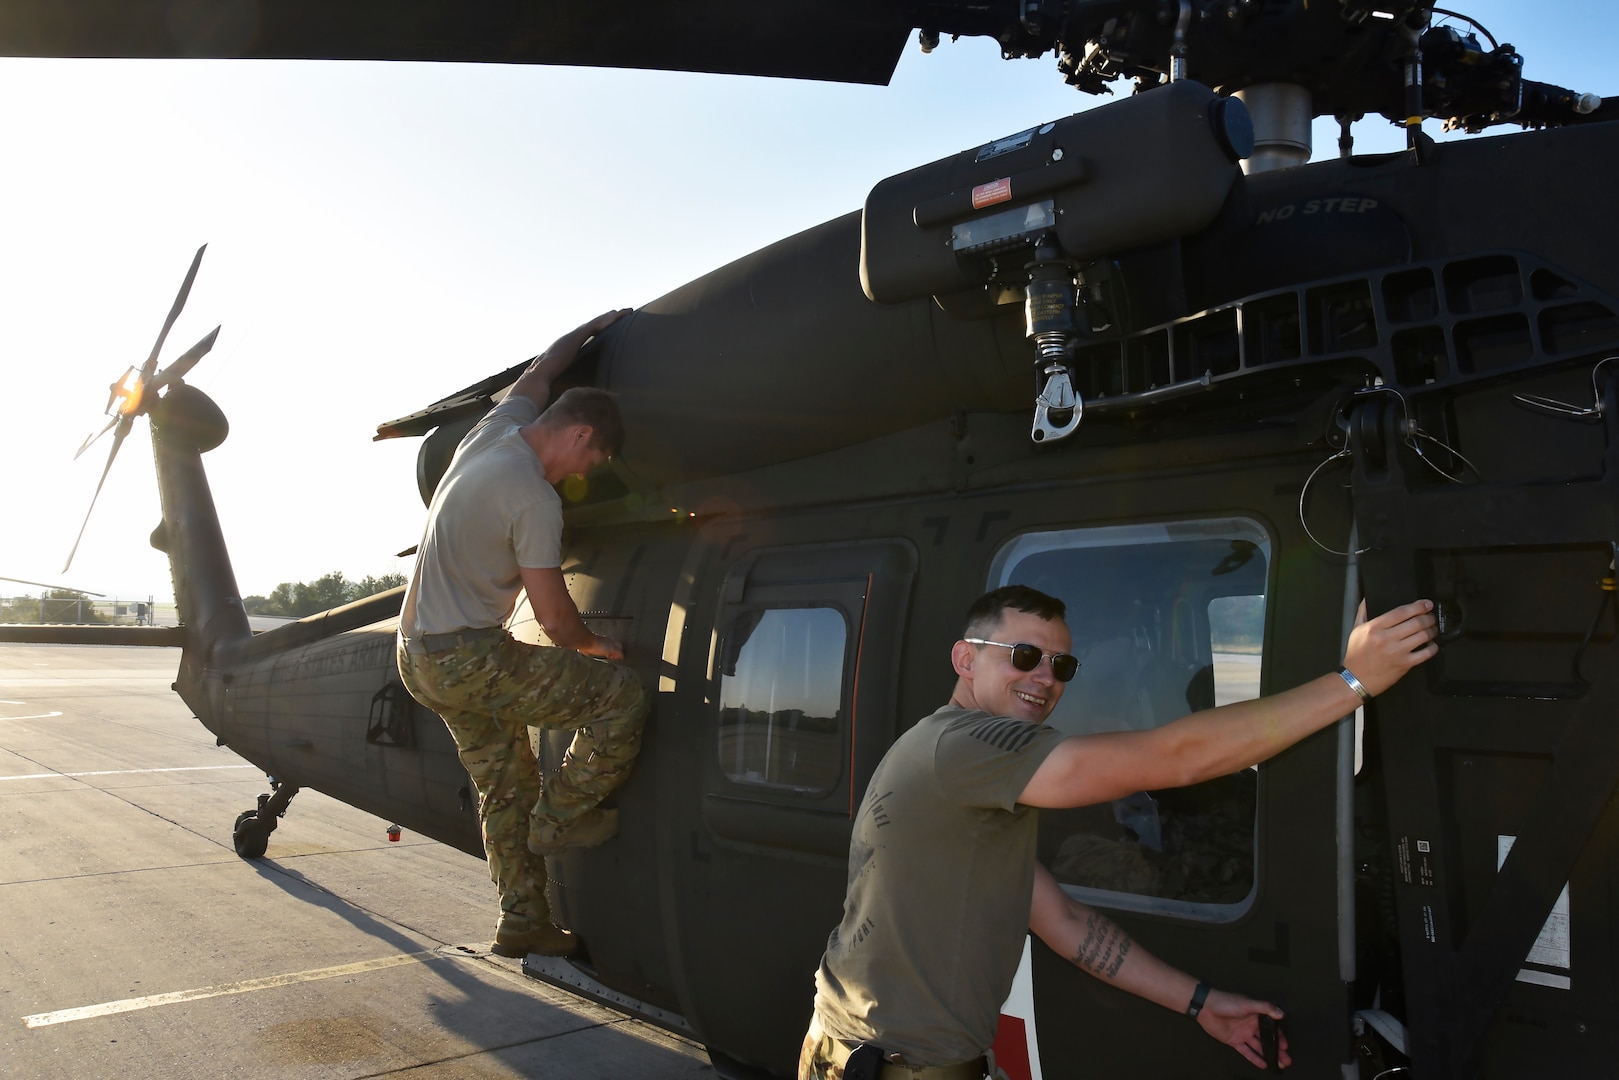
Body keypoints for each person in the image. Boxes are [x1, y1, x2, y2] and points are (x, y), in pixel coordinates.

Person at [801, 584, 1439, 1078]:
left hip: (860, 1051)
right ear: (966, 659)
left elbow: (1067, 926)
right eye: (1024, 656)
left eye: (1061, 666)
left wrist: (1201, 1003)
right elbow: (1171, 759)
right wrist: (1353, 683)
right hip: (891, 1066)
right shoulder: (964, 747)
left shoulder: (963, 777)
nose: (1044, 678)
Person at [397, 309, 649, 960]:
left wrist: (588, 331)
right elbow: (558, 620)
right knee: (619, 696)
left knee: (502, 786)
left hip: (416, 657)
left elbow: (542, 370)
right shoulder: (533, 498)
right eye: (590, 460)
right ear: (582, 435)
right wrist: (597, 648)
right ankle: (560, 818)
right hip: (466, 657)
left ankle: (522, 922)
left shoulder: (492, 432)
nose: (578, 476)